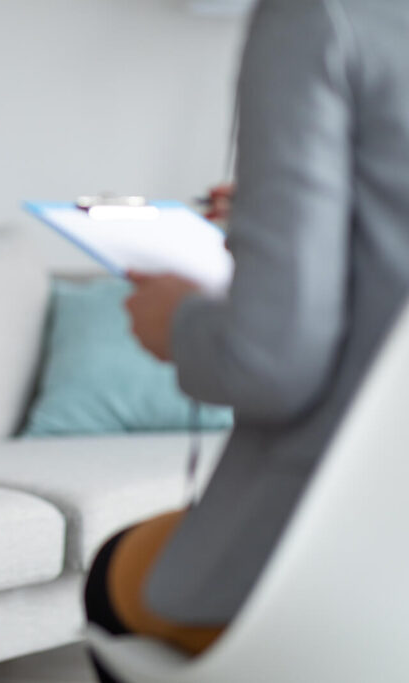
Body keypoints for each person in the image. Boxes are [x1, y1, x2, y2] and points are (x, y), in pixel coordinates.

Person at [85, 0, 409, 679]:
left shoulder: (316, 19)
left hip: (356, 560)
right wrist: (277, 223)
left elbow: (270, 361)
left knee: (114, 573)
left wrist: (175, 321)